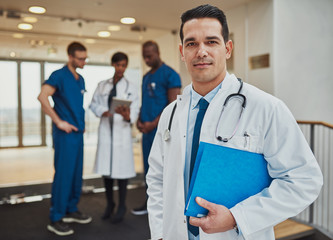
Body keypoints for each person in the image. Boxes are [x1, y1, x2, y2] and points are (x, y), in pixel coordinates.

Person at [146, 4, 323, 240]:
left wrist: (238, 217)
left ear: (228, 48)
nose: (201, 52)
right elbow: (157, 179)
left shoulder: (266, 108)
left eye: (211, 42)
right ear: (182, 52)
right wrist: (159, 232)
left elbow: (303, 180)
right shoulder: (170, 113)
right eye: (192, 43)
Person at [37, 42, 92, 236]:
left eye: (85, 58)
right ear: (70, 57)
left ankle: (70, 209)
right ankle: (56, 217)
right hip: (65, 135)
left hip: (77, 134)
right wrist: (59, 122)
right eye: (80, 58)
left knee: (77, 175)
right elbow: (42, 97)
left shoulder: (81, 79)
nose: (83, 61)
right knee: (63, 175)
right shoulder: (58, 76)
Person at [131, 40, 182, 215]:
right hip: (147, 131)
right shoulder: (146, 77)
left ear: (158, 52)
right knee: (149, 169)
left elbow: (173, 105)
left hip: (163, 132)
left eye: (149, 56)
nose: (146, 59)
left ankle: (167, 206)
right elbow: (144, 102)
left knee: (164, 168)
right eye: (144, 56)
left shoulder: (170, 75)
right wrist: (139, 119)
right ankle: (150, 202)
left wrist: (153, 124)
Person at [89, 52, 140, 223]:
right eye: (118, 65)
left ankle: (122, 206)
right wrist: (101, 111)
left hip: (121, 133)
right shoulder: (102, 85)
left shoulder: (131, 87)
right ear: (113, 65)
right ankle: (110, 204)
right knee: (107, 172)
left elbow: (135, 110)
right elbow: (93, 104)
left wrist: (127, 115)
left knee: (122, 172)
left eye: (124, 65)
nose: (121, 68)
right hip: (106, 131)